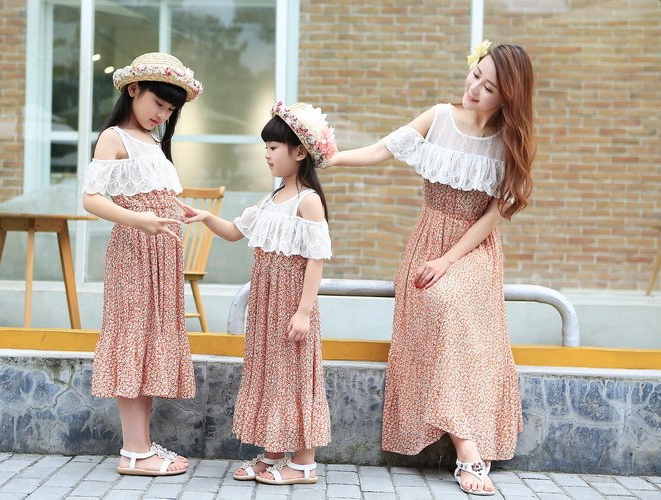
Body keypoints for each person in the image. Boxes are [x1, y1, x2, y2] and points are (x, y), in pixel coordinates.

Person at [325, 41, 535, 496]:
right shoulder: (439, 117)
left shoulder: (509, 141)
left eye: (489, 87)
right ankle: (468, 448)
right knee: (441, 310)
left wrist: (449, 259)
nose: (474, 89)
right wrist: (335, 158)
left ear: (509, 96)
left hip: (473, 250)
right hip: (427, 241)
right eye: (475, 75)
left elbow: (494, 215)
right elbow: (382, 149)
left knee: (450, 304)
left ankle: (468, 447)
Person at [179, 101, 337, 485]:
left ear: (299, 152)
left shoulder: (307, 201)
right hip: (266, 304)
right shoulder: (271, 198)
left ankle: (304, 463)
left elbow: (316, 261)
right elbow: (236, 231)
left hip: (290, 304)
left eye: (274, 147)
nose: (267, 154)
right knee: (270, 376)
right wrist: (205, 217)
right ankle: (273, 453)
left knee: (294, 378)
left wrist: (303, 312)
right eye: (265, 147)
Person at [82, 52, 204, 477]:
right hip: (135, 252)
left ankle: (142, 445)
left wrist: (175, 210)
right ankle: (133, 451)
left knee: (150, 344)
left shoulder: (152, 142)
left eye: (169, 110)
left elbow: (151, 192)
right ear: (133, 90)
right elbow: (92, 199)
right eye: (158, 103)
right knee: (134, 339)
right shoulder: (114, 137)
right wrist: (142, 220)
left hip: (160, 255)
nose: (162, 114)